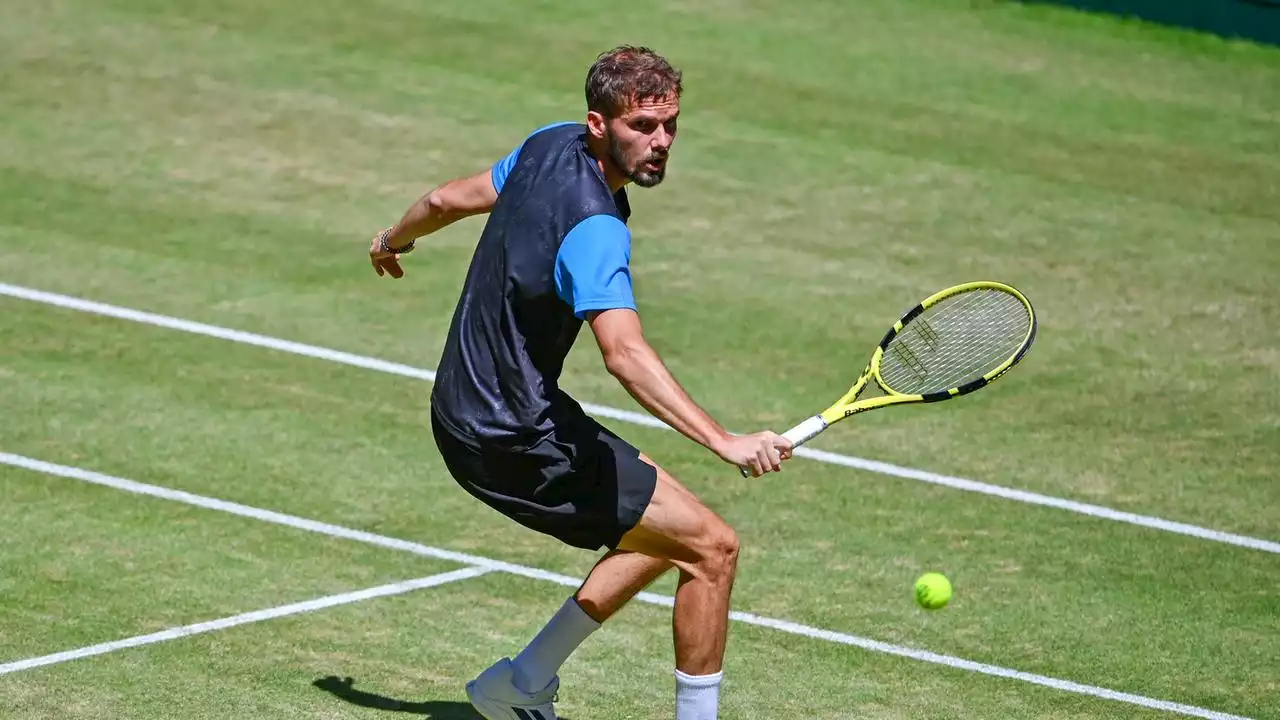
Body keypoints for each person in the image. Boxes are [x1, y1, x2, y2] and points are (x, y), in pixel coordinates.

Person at [367, 45, 793, 720]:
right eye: (642, 128)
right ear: (598, 124)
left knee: (665, 531)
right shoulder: (596, 228)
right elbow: (623, 353)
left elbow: (447, 198)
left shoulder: (544, 146)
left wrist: (392, 239)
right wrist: (724, 441)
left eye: (670, 125)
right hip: (513, 431)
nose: (661, 143)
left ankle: (521, 682)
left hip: (463, 406)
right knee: (712, 548)